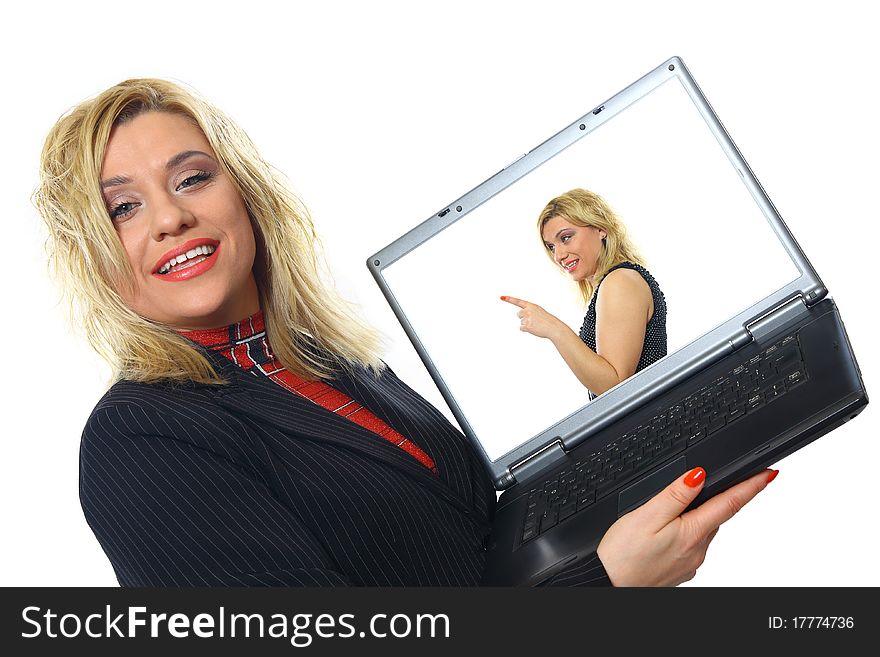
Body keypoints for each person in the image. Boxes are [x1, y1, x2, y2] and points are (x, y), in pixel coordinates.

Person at [34, 78, 775, 587]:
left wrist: (631, 481)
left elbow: (475, 549)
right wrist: (605, 579)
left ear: (245, 194)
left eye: (192, 177)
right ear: (93, 254)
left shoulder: (332, 360)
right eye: (122, 208)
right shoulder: (139, 439)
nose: (169, 217)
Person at [502, 189, 667, 399]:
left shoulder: (620, 282)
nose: (559, 255)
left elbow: (615, 385)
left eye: (566, 238)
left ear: (600, 228)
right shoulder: (614, 283)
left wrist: (554, 328)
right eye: (551, 247)